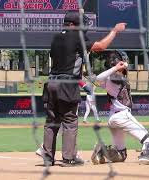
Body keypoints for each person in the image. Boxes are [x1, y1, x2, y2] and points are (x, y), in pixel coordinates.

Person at [41, 10, 126, 167]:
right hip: (67, 84)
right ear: (73, 25)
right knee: (70, 120)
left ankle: (47, 158)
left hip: (51, 83)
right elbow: (101, 46)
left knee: (51, 122)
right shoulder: (77, 37)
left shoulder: (56, 37)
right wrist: (114, 31)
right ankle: (69, 158)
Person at [91, 51, 149, 165]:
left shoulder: (113, 78)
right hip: (122, 116)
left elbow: (99, 79)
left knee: (121, 155)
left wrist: (116, 68)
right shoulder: (114, 77)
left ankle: (102, 151)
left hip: (113, 119)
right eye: (124, 61)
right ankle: (146, 156)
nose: (126, 63)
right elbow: (98, 78)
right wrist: (115, 68)